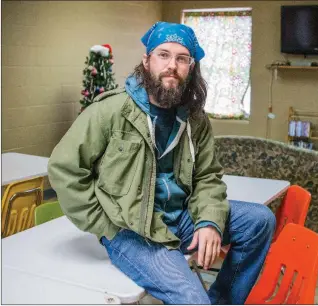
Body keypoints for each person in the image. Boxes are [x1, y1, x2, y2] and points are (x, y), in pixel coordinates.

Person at [48, 21, 276, 304]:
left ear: (190, 67)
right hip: (133, 230)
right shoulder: (111, 110)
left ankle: (223, 301)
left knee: (259, 220)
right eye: (163, 55)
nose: (172, 65)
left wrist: (208, 221)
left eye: (182, 58)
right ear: (146, 61)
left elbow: (207, 177)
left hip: (179, 217)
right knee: (193, 299)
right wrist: (105, 226)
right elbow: (64, 168)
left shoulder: (195, 119)